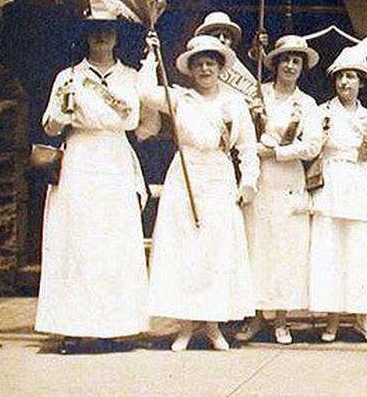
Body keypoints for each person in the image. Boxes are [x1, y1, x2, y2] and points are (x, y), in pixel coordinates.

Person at [35, 18, 149, 353]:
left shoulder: (128, 77)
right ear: (86, 36)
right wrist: (62, 116)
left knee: (111, 241)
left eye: (108, 31)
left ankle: (112, 326)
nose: (101, 36)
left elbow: (129, 119)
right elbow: (50, 126)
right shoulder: (69, 76)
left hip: (113, 157)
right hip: (80, 159)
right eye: (95, 30)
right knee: (76, 239)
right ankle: (71, 326)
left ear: (116, 37)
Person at [141, 34, 259, 351]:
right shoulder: (180, 98)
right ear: (190, 70)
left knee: (215, 252)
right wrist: (151, 55)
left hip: (219, 177)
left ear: (220, 68)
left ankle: (213, 325)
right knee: (186, 252)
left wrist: (248, 182)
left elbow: (248, 147)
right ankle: (186, 326)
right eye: (199, 64)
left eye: (211, 63)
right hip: (186, 176)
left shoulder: (235, 104)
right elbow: (143, 92)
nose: (205, 69)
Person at [301, 34, 367, 344]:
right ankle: (333, 320)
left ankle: (363, 319)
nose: (345, 83)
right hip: (331, 186)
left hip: (360, 186)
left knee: (359, 254)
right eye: (340, 77)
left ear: (361, 82)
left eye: (350, 77)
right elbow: (310, 149)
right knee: (331, 253)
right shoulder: (322, 112)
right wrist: (320, 138)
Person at [235, 35, 320, 345]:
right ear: (274, 63)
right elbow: (242, 134)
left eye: (296, 60)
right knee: (258, 245)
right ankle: (256, 316)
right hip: (260, 178)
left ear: (302, 67)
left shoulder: (307, 104)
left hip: (288, 179)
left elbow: (312, 145)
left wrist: (277, 152)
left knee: (287, 250)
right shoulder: (258, 95)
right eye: (284, 59)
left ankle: (282, 319)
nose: (290, 65)